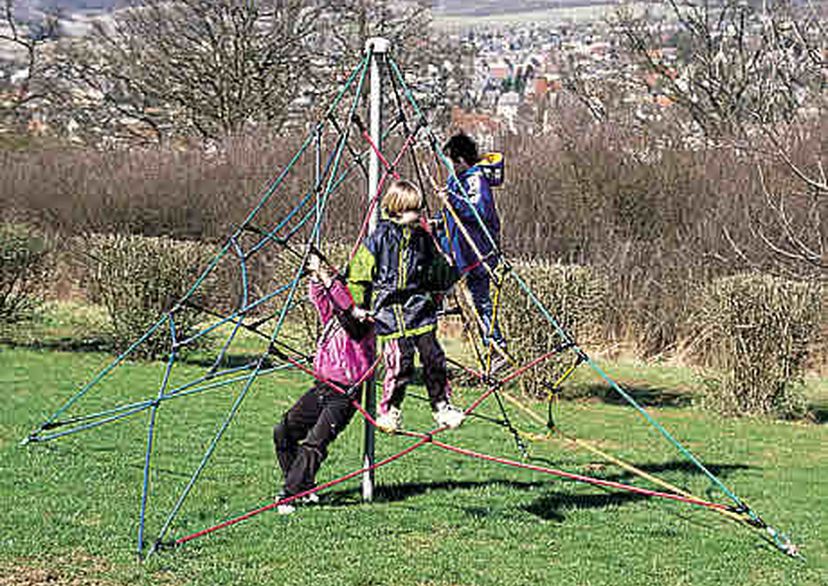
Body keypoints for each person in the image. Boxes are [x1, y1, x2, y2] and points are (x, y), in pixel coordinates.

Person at [348, 179, 462, 433]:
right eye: (413, 209)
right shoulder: (380, 238)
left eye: (419, 209)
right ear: (397, 209)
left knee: (434, 357)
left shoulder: (423, 239)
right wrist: (357, 305)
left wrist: (449, 271)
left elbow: (436, 270)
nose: (418, 214)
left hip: (418, 308)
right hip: (390, 311)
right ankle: (390, 410)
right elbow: (359, 273)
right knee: (401, 362)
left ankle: (441, 406)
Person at [273, 251, 374, 514]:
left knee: (314, 444)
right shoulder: (334, 317)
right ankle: (303, 487)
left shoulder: (364, 320)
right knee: (283, 431)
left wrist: (328, 276)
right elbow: (321, 298)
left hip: (344, 394)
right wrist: (317, 274)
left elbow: (345, 305)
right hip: (322, 387)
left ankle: (290, 494)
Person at [437, 132, 507, 364]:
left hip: (476, 252)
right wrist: (438, 221)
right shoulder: (456, 180)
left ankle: (496, 346)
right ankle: (429, 319)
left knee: (481, 300)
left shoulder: (475, 179)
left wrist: (452, 200)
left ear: (461, 160)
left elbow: (479, 211)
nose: (449, 167)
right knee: (438, 282)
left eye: (451, 161)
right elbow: (450, 215)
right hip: (457, 250)